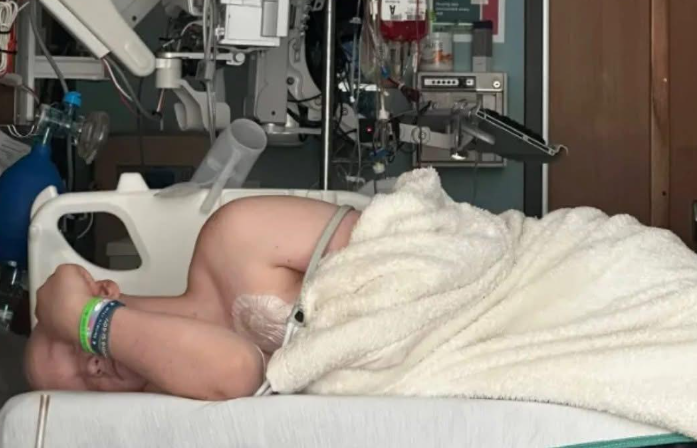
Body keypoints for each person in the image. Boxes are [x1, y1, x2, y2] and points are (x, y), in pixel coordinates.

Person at [24, 196, 361, 401]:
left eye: (79, 344)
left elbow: (383, 242)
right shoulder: (185, 409)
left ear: (104, 293)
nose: (93, 366)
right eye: (84, 385)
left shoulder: (233, 240)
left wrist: (86, 320)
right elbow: (237, 369)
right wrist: (87, 321)